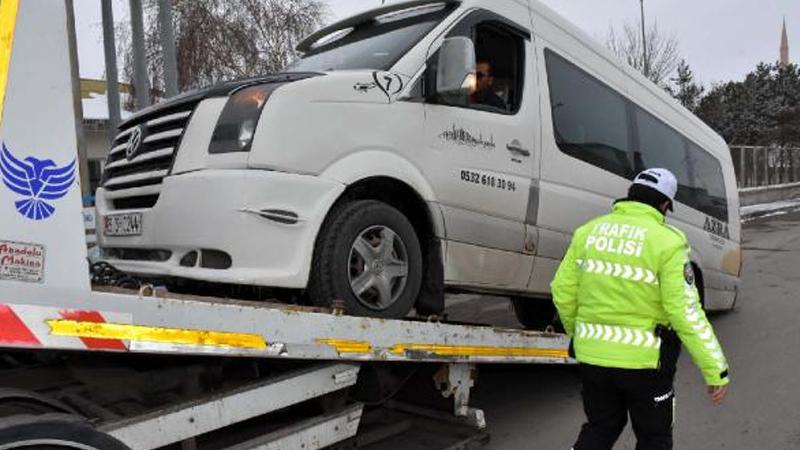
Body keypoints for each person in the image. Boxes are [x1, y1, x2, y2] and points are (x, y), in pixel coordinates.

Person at [551, 168, 730, 450]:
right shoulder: (668, 242)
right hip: (646, 364)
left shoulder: (586, 233)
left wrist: (580, 333)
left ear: (630, 196)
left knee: (600, 427)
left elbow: (561, 291)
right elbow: (685, 311)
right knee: (654, 438)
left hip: (593, 360)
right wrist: (714, 369)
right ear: (664, 204)